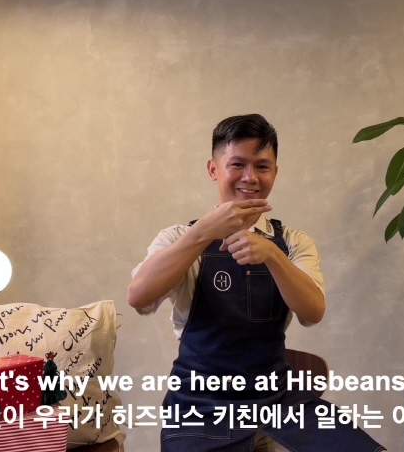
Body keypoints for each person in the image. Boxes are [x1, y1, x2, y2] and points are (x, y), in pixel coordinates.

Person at [128, 114, 386, 452]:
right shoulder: (178, 237)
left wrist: (273, 256)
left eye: (262, 167)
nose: (250, 177)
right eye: (237, 164)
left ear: (275, 172)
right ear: (213, 169)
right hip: (200, 406)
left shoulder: (293, 242)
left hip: (279, 400)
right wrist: (202, 234)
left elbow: (313, 311)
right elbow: (139, 297)